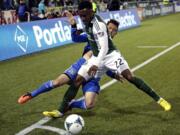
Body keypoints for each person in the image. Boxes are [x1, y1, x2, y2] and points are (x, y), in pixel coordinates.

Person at [43, 1, 171, 118]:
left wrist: (96, 64)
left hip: (110, 55)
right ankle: (61, 110)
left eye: (85, 15)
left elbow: (104, 48)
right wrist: (73, 25)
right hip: (96, 56)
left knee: (129, 76)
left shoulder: (98, 25)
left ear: (91, 13)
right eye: (81, 15)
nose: (83, 18)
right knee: (77, 81)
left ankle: (159, 100)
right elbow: (77, 38)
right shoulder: (85, 20)